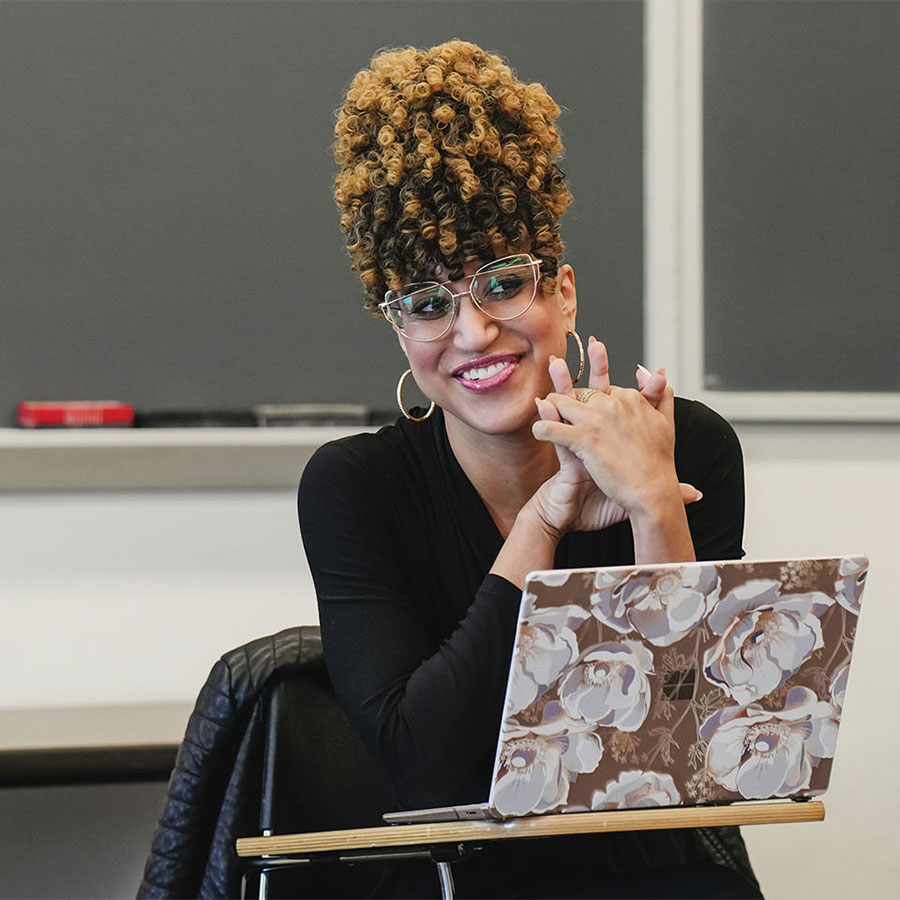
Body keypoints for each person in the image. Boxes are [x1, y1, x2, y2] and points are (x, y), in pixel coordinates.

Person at [298, 40, 761, 899]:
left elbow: (696, 760)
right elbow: (425, 769)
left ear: (565, 292)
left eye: (502, 283)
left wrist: (655, 501)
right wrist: (546, 520)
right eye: (430, 304)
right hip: (461, 886)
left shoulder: (685, 445)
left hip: (664, 877)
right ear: (400, 331)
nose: (472, 333)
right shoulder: (354, 489)